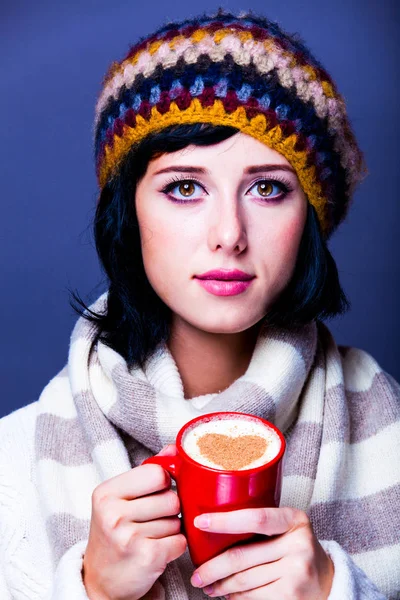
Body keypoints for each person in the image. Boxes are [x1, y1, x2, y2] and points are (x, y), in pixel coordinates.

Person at [0, 8, 398, 600]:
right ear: (127, 214)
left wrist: (336, 591)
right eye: (184, 187)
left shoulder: (390, 438)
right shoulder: (16, 462)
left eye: (267, 188)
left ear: (310, 219)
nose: (228, 234)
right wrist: (94, 590)